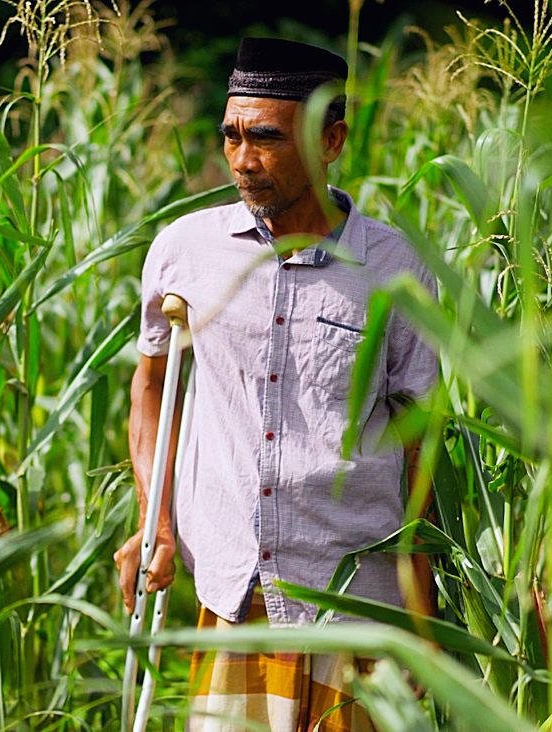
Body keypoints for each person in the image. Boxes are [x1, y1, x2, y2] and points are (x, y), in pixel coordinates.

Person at [113, 37, 439, 731]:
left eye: (265, 138)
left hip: (356, 603)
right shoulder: (185, 252)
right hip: (240, 596)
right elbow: (151, 385)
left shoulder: (394, 268)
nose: (241, 160)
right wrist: (155, 521)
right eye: (231, 136)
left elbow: (420, 448)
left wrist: (424, 622)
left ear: (332, 142)